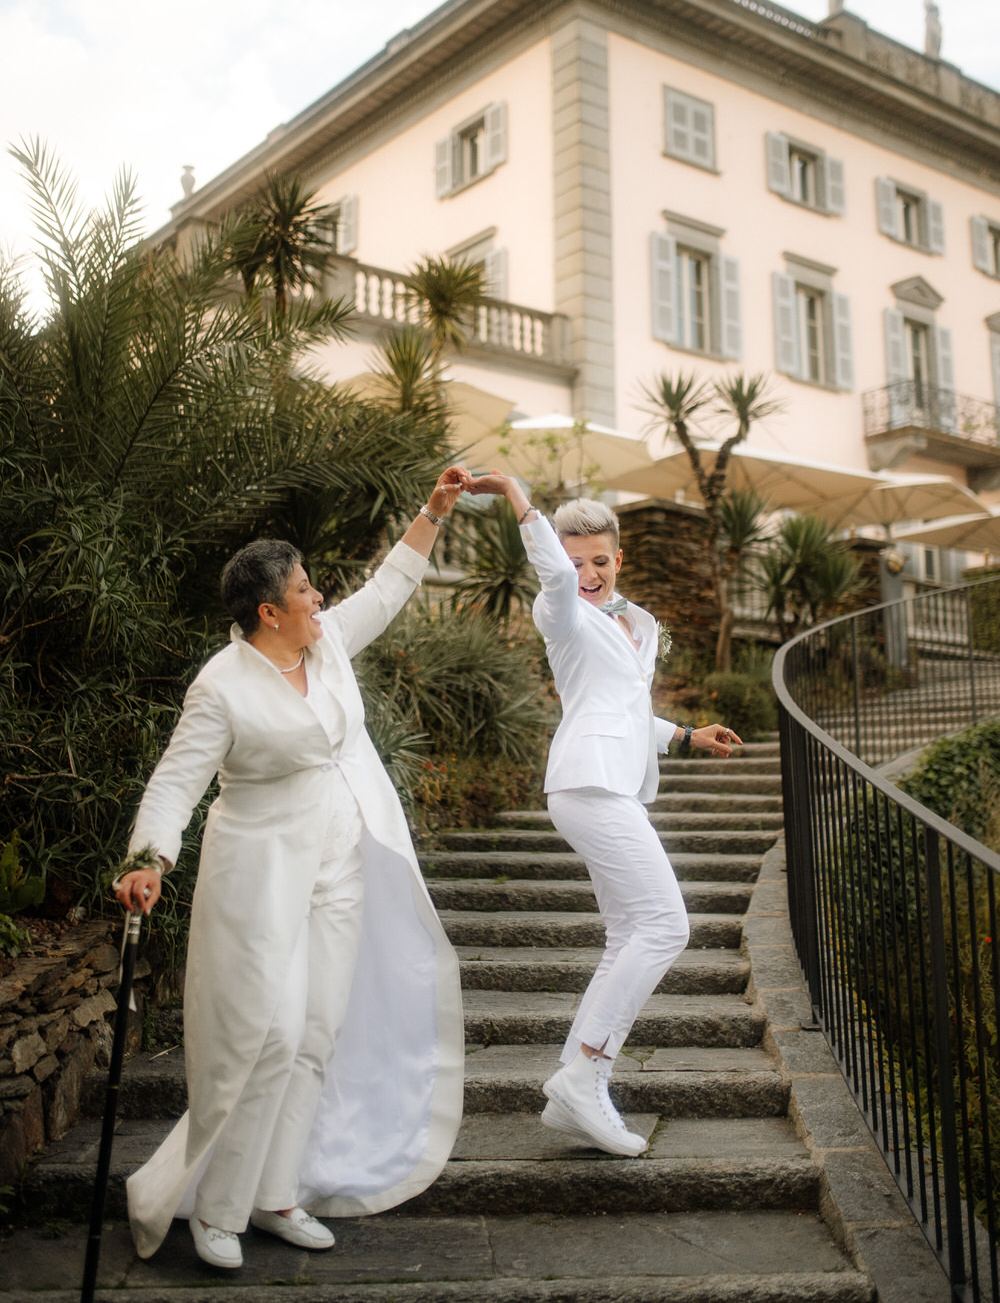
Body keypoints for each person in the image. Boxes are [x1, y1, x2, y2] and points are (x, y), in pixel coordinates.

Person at [113, 467, 470, 1269]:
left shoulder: (328, 641)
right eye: (305, 589)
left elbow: (385, 590)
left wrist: (433, 513)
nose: (319, 597)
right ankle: (217, 1209)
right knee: (263, 1037)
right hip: (259, 870)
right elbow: (177, 780)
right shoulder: (221, 686)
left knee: (314, 1034)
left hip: (341, 861)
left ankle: (276, 1197)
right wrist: (148, 857)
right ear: (268, 611)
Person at [467, 474, 741, 1157]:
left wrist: (684, 736)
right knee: (667, 924)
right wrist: (516, 496)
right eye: (574, 558)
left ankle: (580, 1085)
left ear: (618, 559)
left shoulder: (637, 622)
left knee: (628, 934)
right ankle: (585, 1073)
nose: (585, 572)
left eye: (598, 559)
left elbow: (625, 709)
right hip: (587, 784)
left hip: (613, 781)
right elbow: (555, 578)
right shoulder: (559, 609)